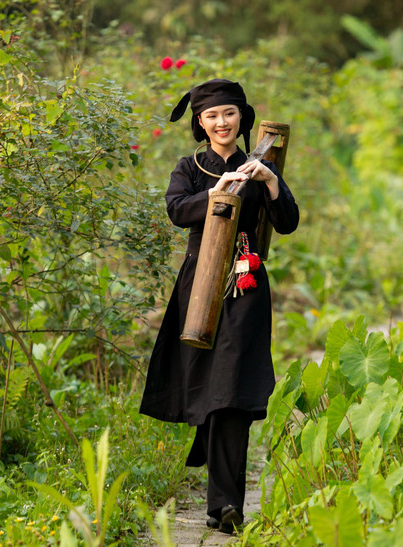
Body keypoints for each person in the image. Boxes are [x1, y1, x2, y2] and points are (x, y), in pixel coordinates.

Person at [139, 79, 299, 534]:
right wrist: (215, 193)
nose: (221, 122)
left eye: (229, 113)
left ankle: (225, 506)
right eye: (212, 116)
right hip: (198, 286)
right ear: (200, 123)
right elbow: (175, 209)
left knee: (231, 391)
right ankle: (215, 475)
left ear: (242, 117)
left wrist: (269, 182)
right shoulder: (188, 167)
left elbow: (287, 222)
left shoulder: (259, 165)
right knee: (208, 388)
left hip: (245, 285)